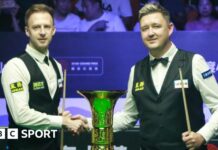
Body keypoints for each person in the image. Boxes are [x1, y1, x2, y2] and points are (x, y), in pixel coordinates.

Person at [79, 2, 218, 150]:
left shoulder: (194, 62)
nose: (150, 33)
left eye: (156, 26)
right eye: (145, 28)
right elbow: (128, 117)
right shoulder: (136, 70)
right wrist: (88, 123)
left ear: (170, 29)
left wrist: (202, 135)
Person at [1, 4, 88, 150]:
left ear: (53, 30)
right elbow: (21, 115)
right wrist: (61, 121)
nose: (42, 32)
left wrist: (62, 115)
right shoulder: (15, 66)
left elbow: (45, 104)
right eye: (36, 27)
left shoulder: (57, 66)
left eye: (47, 27)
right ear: (27, 31)